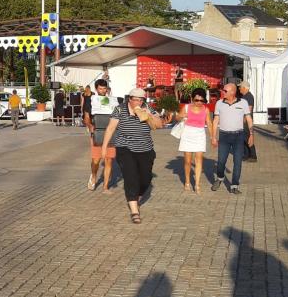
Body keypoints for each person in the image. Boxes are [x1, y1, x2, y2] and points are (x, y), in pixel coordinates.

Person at [101, 88, 163, 224]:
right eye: (136, 99)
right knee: (130, 177)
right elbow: (111, 128)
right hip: (125, 148)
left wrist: (150, 115)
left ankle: (136, 196)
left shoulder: (147, 108)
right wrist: (104, 147)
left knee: (146, 179)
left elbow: (159, 125)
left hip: (145, 148)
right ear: (130, 98)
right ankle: (134, 210)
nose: (139, 102)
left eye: (141, 99)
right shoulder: (120, 109)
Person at [210, 83, 254, 194]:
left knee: (238, 161)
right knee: (221, 162)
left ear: (232, 92)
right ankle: (220, 178)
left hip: (238, 136)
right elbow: (215, 121)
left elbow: (249, 119)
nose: (222, 92)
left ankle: (234, 185)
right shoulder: (219, 103)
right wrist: (213, 137)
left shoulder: (243, 103)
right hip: (224, 136)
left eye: (225, 90)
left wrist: (252, 135)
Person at [83, 79, 118, 193]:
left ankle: (105, 187)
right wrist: (90, 125)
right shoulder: (91, 101)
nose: (102, 91)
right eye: (100, 88)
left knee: (109, 160)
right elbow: (86, 117)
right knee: (96, 160)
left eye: (104, 88)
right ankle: (93, 175)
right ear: (96, 89)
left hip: (111, 133)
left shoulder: (112, 101)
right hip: (97, 132)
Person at [177, 88, 212, 193]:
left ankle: (197, 184)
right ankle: (187, 181)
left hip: (200, 134)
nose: (199, 103)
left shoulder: (206, 109)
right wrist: (181, 116)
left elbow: (209, 123)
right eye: (197, 100)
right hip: (187, 134)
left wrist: (212, 137)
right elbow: (178, 117)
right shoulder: (186, 107)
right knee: (188, 161)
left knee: (199, 160)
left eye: (202, 101)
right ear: (192, 99)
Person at [238, 80, 257, 162]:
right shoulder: (244, 96)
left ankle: (253, 156)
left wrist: (244, 120)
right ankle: (246, 155)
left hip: (246, 121)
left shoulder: (249, 96)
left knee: (247, 138)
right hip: (243, 120)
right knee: (243, 138)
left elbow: (249, 109)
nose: (239, 89)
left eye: (240, 87)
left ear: (245, 88)